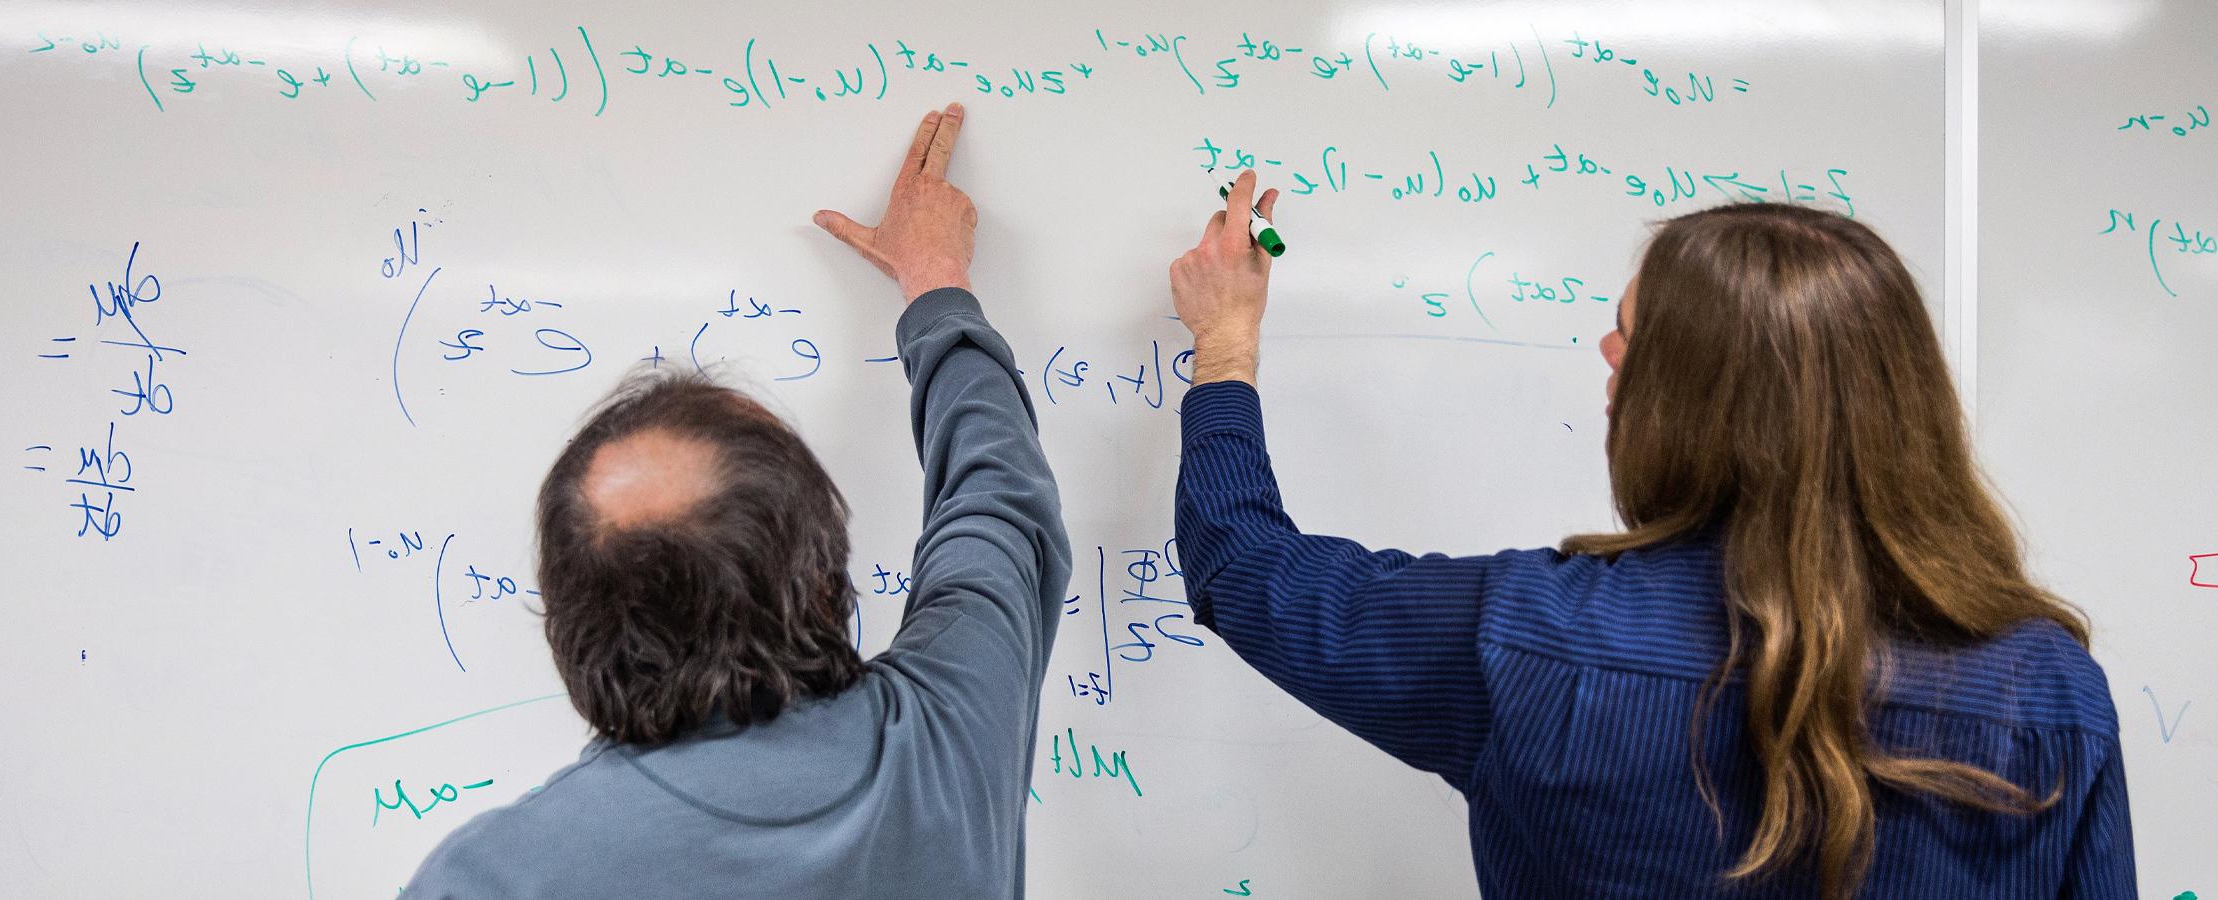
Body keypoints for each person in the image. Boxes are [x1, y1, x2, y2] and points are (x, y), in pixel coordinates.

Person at [1166, 173, 2134, 899]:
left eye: (1632, 335)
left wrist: (1226, 343)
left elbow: (1244, 570)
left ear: (1690, 396)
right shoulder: (2052, 701)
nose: (1606, 351)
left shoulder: (1527, 642)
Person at [402, 103, 1070, 899]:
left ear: (569, 627)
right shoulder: (947, 739)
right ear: (824, 582)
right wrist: (935, 283)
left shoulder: (493, 877)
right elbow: (1000, 495)